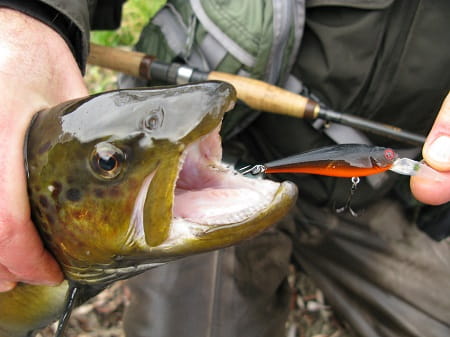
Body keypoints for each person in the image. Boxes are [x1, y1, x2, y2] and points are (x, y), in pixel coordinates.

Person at [0, 1, 448, 337]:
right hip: (215, 162)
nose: (108, 164)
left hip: (370, 191)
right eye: (108, 163)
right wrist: (26, 16)